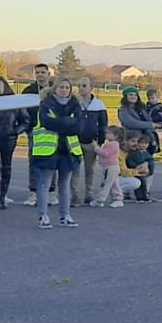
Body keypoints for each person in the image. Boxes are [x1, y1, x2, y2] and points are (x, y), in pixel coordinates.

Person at [31, 77, 84, 227]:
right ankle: (43, 216)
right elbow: (48, 123)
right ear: (55, 89)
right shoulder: (45, 105)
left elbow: (78, 126)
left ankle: (65, 216)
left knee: (64, 184)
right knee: (44, 184)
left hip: (68, 150)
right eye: (61, 87)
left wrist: (61, 124)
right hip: (48, 150)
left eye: (67, 88)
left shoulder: (75, 105)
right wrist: (67, 122)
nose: (64, 90)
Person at [0, 76, 23, 210]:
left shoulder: (14, 101)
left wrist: (15, 131)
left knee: (6, 167)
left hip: (8, 138)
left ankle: (3, 195)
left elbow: (25, 120)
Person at [115, 87, 157, 199]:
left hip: (144, 140)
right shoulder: (123, 110)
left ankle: (145, 191)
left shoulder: (142, 109)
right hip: (131, 141)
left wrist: (152, 139)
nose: (133, 96)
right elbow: (132, 123)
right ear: (125, 97)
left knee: (147, 164)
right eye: (130, 94)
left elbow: (148, 122)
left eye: (135, 94)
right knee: (131, 164)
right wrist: (150, 125)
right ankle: (126, 190)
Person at [21, 63, 53, 204]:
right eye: (37, 72)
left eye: (42, 72)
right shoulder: (28, 91)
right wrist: (28, 127)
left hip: (52, 131)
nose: (40, 75)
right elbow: (23, 111)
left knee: (52, 161)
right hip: (34, 131)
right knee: (34, 161)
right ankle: (33, 192)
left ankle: (51, 191)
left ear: (48, 74)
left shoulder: (55, 89)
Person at [75, 78, 109, 206]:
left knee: (90, 169)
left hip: (91, 142)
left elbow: (103, 124)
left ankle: (88, 194)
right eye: (79, 85)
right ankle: (75, 195)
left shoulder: (99, 104)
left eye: (84, 85)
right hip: (76, 142)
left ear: (91, 88)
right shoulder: (75, 103)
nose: (81, 88)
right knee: (75, 169)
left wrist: (100, 141)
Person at [95, 126, 125, 207]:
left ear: (116, 136)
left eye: (109, 133)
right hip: (110, 167)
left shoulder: (113, 144)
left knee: (106, 184)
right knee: (114, 184)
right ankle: (118, 198)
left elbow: (105, 154)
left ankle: (100, 200)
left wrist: (96, 148)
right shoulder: (111, 144)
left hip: (110, 167)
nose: (106, 134)